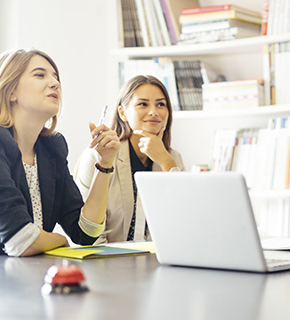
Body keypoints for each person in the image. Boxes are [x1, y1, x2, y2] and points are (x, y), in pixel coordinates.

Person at [0, 48, 120, 256]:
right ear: (11, 92)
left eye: (56, 77)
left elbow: (86, 233)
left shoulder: (52, 149)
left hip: (30, 278)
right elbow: (19, 240)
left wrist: (105, 164)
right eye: (40, 75)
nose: (55, 83)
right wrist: (60, 240)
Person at [75, 75, 184, 243]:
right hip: (107, 261)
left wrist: (165, 161)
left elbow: (184, 221)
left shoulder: (172, 158)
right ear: (122, 113)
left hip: (157, 261)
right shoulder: (98, 156)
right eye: (143, 104)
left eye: (161, 104)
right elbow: (87, 232)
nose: (154, 112)